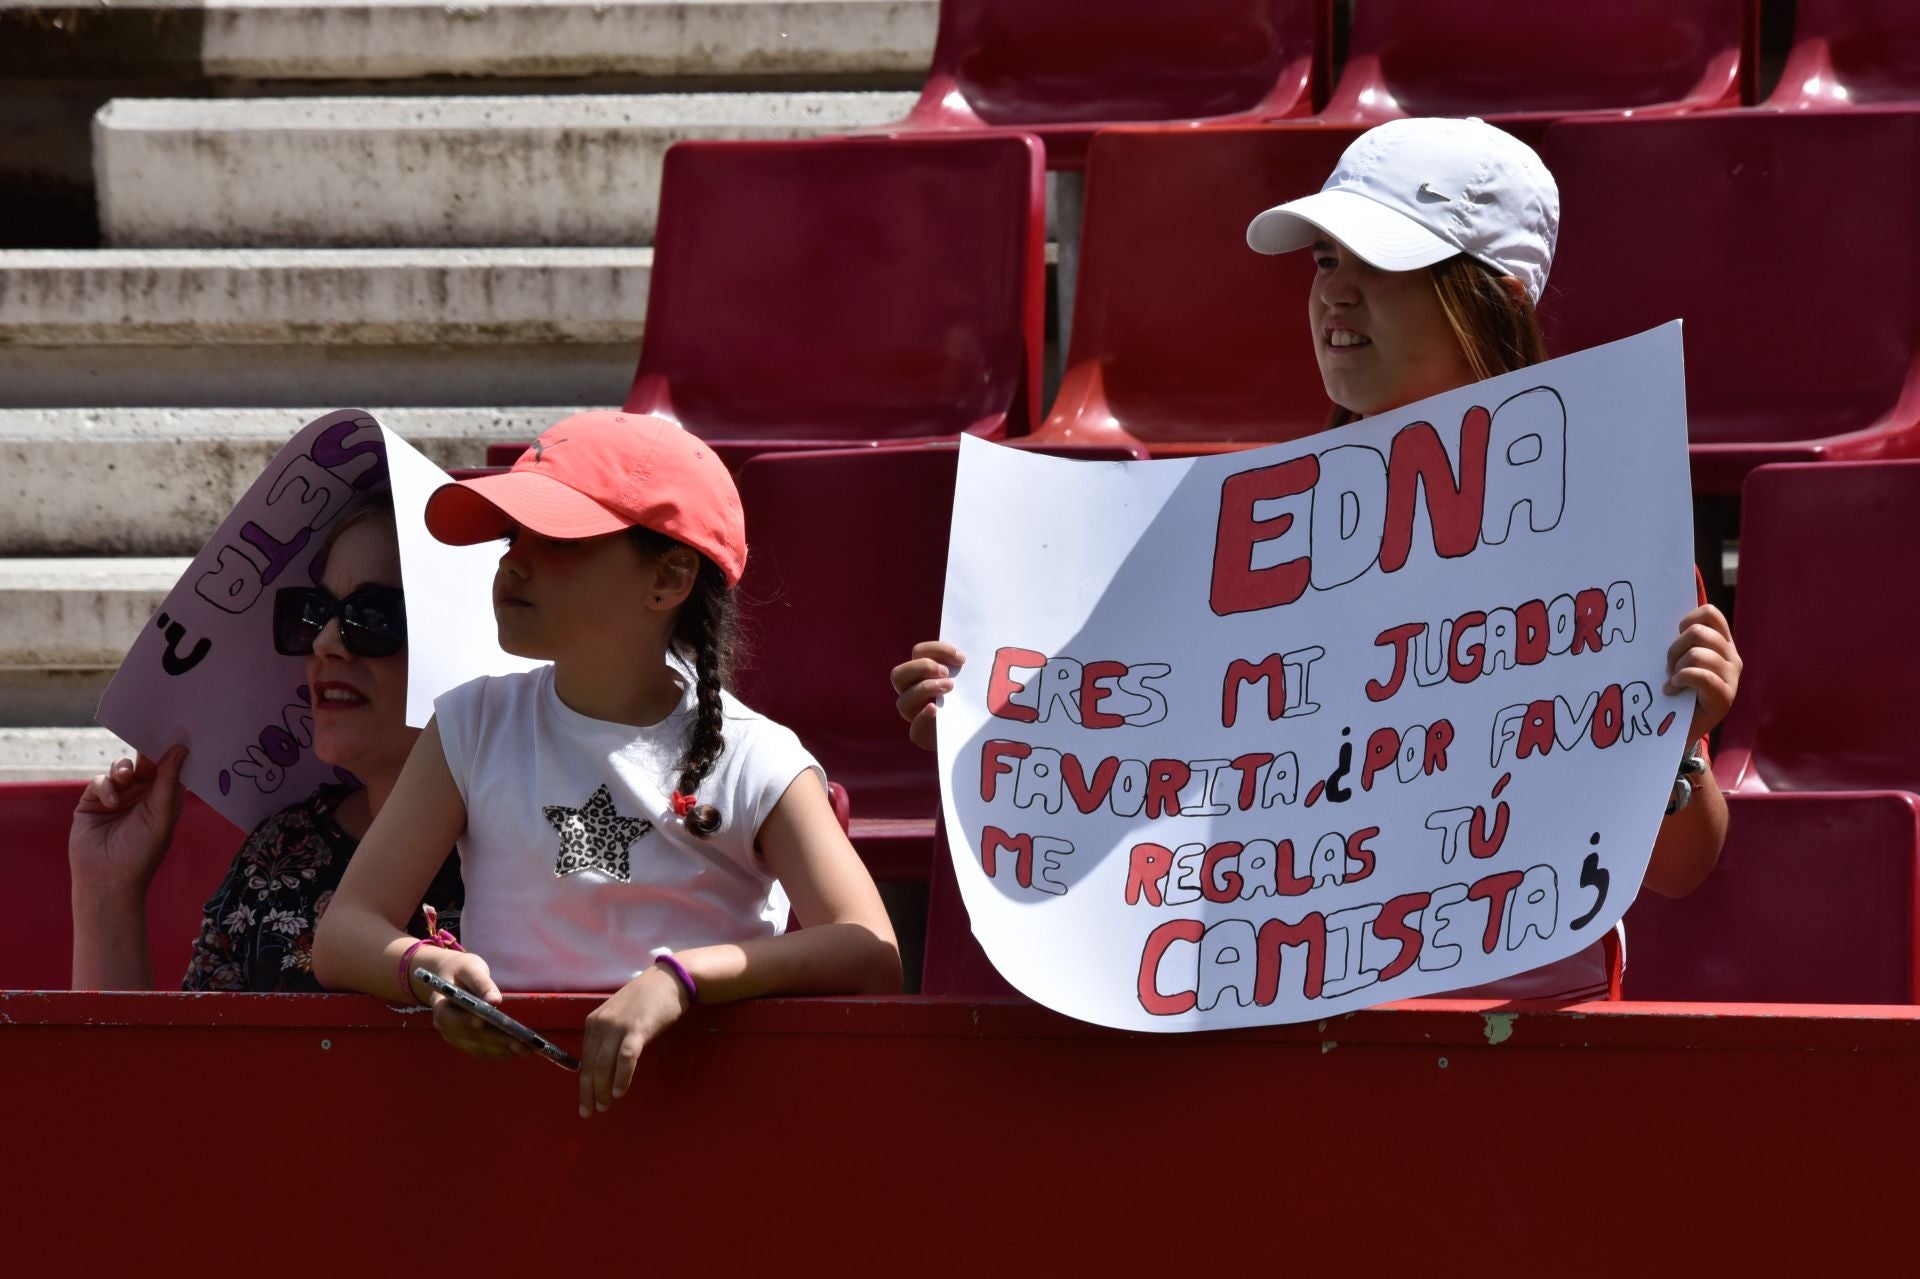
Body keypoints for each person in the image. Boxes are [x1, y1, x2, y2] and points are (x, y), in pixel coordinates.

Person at [891, 118, 1742, 997]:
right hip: (1293, 1030)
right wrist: (994, 734)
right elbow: (1152, 784)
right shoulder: (1240, 542)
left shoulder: (1612, 540)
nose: (1336, 291)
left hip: (1527, 1032)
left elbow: (1682, 865)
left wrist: (1676, 742)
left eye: (1381, 261)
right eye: (1326, 260)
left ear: (1499, 298)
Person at [313, 411, 901, 1117]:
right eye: (512, 536)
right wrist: (429, 970)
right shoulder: (469, 725)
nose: (511, 563)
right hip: (509, 1121)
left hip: (707, 1120)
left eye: (557, 539)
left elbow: (871, 951)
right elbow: (344, 932)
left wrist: (681, 979)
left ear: (670, 577)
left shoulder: (757, 755)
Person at [68, 485, 463, 992]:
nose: (325, 642)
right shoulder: (282, 850)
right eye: (313, 613)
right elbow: (172, 1049)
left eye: (372, 618)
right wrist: (106, 890)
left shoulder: (530, 845)